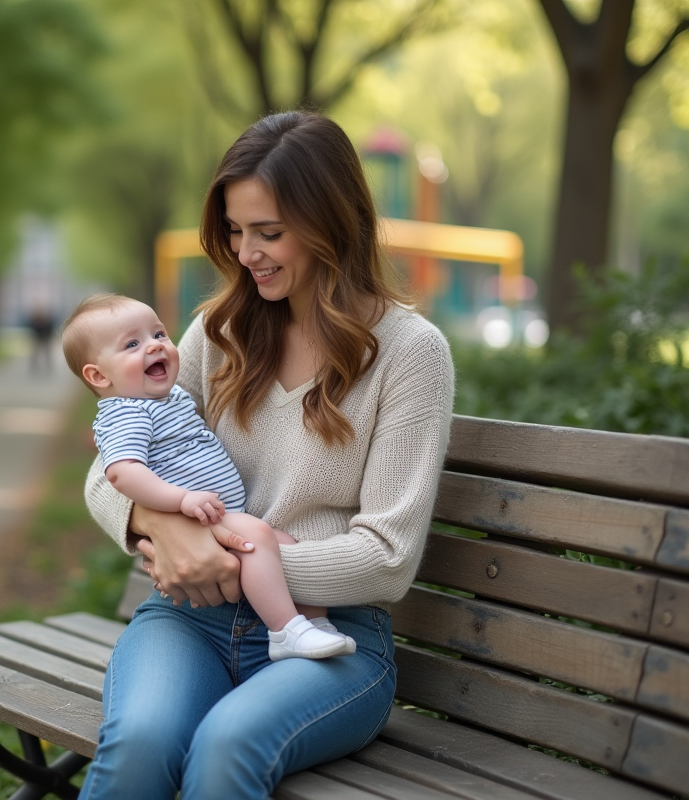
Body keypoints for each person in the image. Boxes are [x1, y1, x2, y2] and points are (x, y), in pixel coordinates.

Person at [80, 110, 455, 800]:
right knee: (140, 743)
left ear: (331, 222)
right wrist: (158, 525)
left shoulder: (409, 353)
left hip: (328, 637)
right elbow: (108, 470)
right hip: (187, 621)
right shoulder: (216, 332)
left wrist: (229, 563)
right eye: (234, 230)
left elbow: (388, 557)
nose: (246, 252)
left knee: (227, 746)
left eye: (269, 232)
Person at [61, 292, 356, 660]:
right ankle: (286, 631)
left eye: (159, 334)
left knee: (288, 546)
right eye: (132, 344)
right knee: (259, 538)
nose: (154, 346)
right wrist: (180, 501)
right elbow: (121, 473)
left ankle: (314, 624)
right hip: (198, 520)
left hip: (218, 514)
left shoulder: (167, 398)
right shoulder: (127, 413)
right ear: (98, 375)